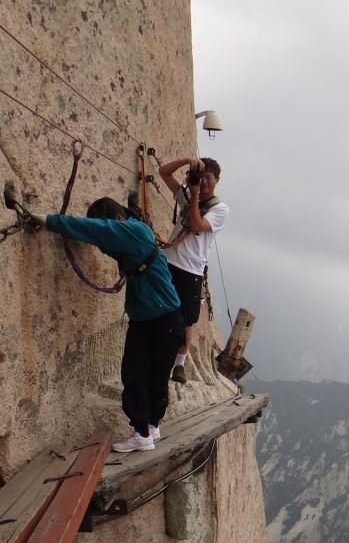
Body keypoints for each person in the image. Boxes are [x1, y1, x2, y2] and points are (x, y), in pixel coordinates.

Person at [39, 197, 185, 453]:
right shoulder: (134, 234)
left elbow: (99, 232)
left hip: (159, 319)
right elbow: (102, 238)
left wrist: (50, 221)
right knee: (150, 375)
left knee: (138, 374)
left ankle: (144, 432)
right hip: (161, 319)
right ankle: (150, 428)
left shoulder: (134, 231)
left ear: (114, 219)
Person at [158, 156, 228, 384]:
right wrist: (188, 161)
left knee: (186, 320)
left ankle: (179, 363)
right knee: (161, 309)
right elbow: (164, 173)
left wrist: (195, 194)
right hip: (169, 260)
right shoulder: (187, 196)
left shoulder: (219, 208)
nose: (204, 181)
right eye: (201, 176)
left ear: (217, 180)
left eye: (209, 177)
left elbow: (197, 224)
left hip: (191, 269)